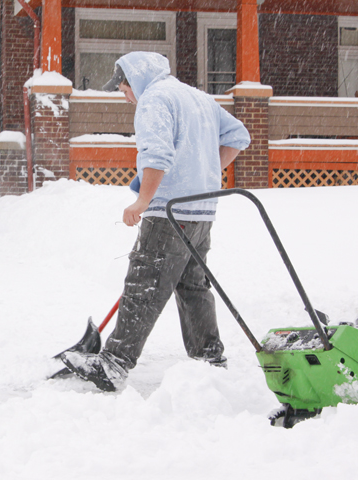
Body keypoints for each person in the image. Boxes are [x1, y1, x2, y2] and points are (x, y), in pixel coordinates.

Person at [60, 52, 251, 391]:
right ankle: (210, 359)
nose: (125, 96)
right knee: (193, 286)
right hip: (201, 211)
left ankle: (114, 363)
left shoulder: (154, 100)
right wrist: (202, 176)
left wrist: (143, 201)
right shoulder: (199, 98)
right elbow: (239, 136)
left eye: (123, 88)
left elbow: (157, 153)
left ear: (134, 79)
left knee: (144, 284)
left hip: (168, 212)